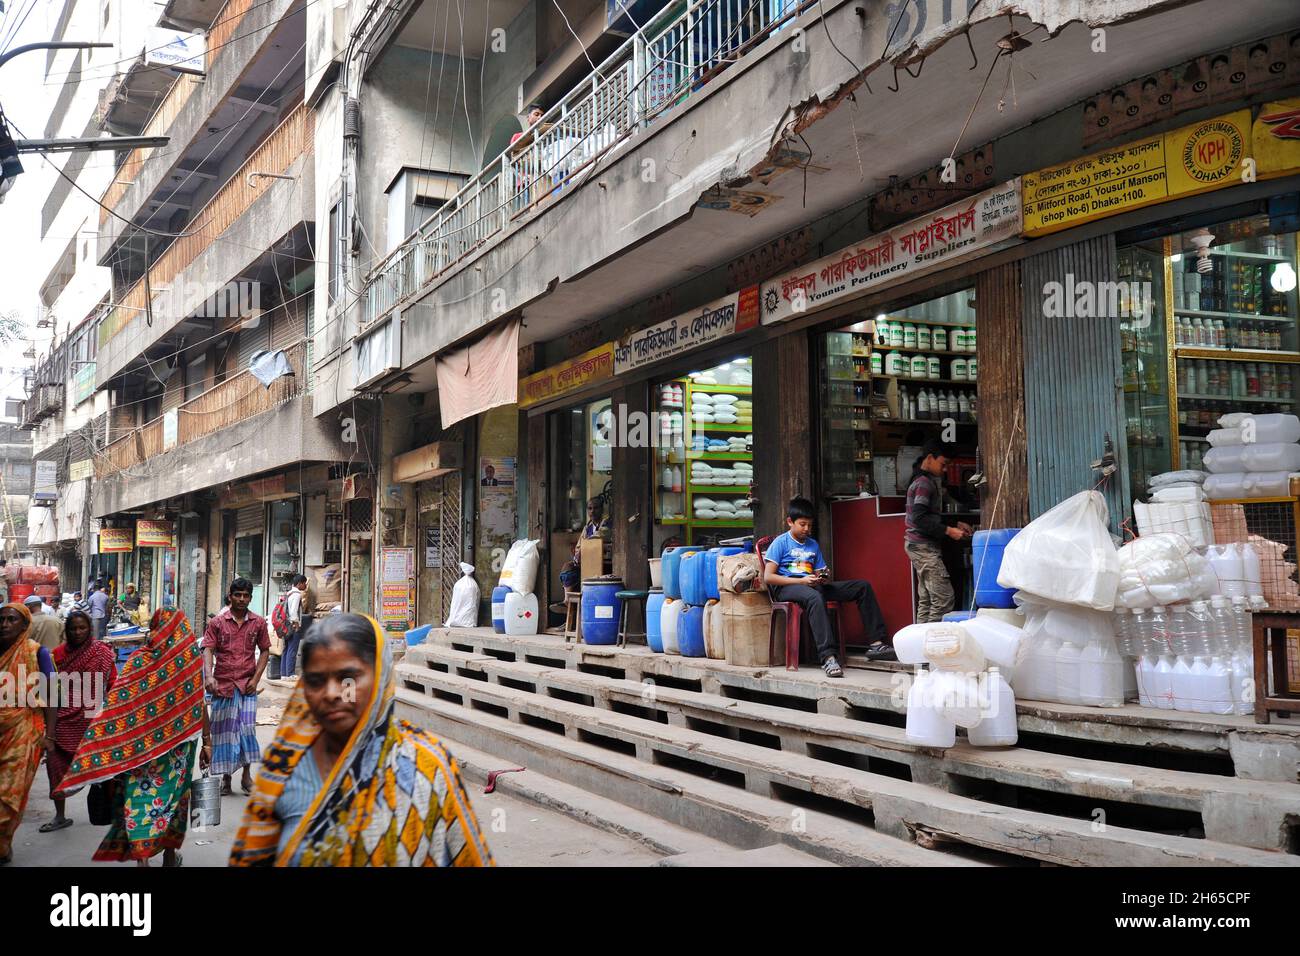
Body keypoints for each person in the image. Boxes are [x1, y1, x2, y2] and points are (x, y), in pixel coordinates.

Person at [229, 613, 492, 867]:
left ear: (379, 677)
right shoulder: (284, 764)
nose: (332, 693)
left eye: (347, 678)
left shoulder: (426, 766)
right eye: (317, 680)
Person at [58, 608, 209, 866]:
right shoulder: (189, 660)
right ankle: (169, 857)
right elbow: (199, 703)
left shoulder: (140, 660)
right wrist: (207, 741)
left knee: (141, 801)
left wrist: (100, 743)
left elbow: (117, 706)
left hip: (140, 750)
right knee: (173, 803)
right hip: (178, 752)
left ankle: (144, 861)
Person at [762, 498, 894, 678]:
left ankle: (876, 642)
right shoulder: (780, 542)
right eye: (802, 524)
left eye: (809, 525)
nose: (807, 529)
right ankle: (828, 657)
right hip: (787, 587)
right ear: (790, 522)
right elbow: (768, 577)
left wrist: (823, 576)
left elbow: (819, 572)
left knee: (862, 587)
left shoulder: (812, 544)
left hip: (812, 585)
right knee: (814, 597)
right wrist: (801, 582)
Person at [39, 610, 116, 834]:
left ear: (89, 629)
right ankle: (60, 815)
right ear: (67, 631)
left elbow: (112, 683)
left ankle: (108, 810)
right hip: (63, 718)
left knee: (101, 768)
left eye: (82, 627)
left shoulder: (101, 652)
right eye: (73, 628)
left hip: (92, 718)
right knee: (55, 765)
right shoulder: (57, 655)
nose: (78, 632)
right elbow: (49, 689)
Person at [0, 602, 57, 865]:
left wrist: (51, 736)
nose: (4, 625)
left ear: (25, 625)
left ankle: (2, 843)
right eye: (2, 620)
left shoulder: (38, 653)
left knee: (9, 792)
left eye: (11, 620)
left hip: (24, 730)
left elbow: (52, 695)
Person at [203, 577, 270, 795]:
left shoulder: (258, 623)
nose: (242, 599)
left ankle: (246, 776)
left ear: (250, 598)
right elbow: (208, 649)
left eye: (246, 596)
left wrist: (256, 679)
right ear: (230, 596)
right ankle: (225, 778)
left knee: (247, 730)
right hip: (222, 686)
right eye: (238, 595)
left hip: (247, 685)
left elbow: (266, 651)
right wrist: (208, 676)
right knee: (224, 732)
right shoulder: (217, 623)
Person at [905, 439, 973, 624]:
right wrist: (949, 531)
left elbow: (927, 515)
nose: (944, 470)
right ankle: (930, 643)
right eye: (943, 464)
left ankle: (919, 645)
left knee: (927, 600)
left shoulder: (922, 480)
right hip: (923, 548)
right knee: (943, 598)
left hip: (918, 546)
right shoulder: (924, 483)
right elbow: (919, 518)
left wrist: (954, 523)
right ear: (929, 458)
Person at [550, 497, 610, 614]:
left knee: (574, 575)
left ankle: (568, 605)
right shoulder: (587, 527)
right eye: (589, 508)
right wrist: (578, 554)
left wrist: (585, 547)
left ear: (601, 509)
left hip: (603, 565)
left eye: (595, 508)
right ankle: (568, 603)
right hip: (587, 564)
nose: (592, 511)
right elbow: (579, 545)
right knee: (568, 568)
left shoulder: (607, 524)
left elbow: (598, 538)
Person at [282, 574, 309, 679]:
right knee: (292, 649)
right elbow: (293, 611)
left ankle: (283, 674)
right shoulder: (297, 594)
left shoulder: (289, 593)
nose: (305, 586)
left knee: (286, 649)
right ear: (300, 583)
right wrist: (297, 625)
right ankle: (291, 673)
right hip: (293, 625)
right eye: (304, 583)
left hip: (286, 625)